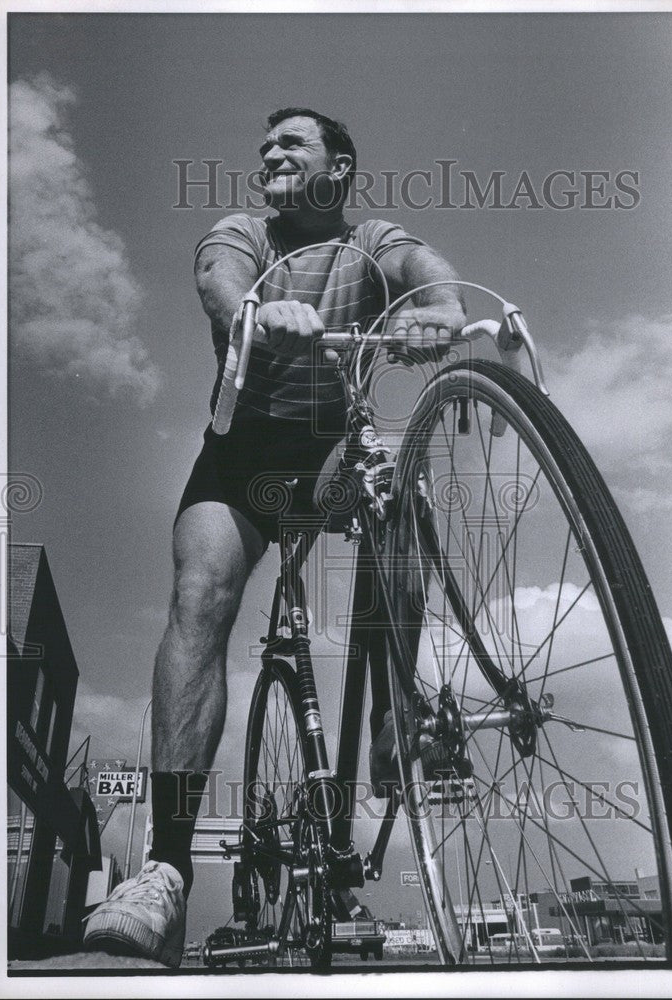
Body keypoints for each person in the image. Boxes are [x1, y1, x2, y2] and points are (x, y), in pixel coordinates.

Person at [83, 107, 465, 967]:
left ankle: (390, 734)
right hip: (243, 461)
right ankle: (164, 868)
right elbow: (220, 278)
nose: (270, 156)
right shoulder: (245, 232)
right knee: (200, 593)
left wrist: (436, 308)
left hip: (330, 454)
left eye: (291, 144)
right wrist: (261, 306)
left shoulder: (370, 239)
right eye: (265, 148)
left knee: (398, 499)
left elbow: (418, 265)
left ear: (341, 163)